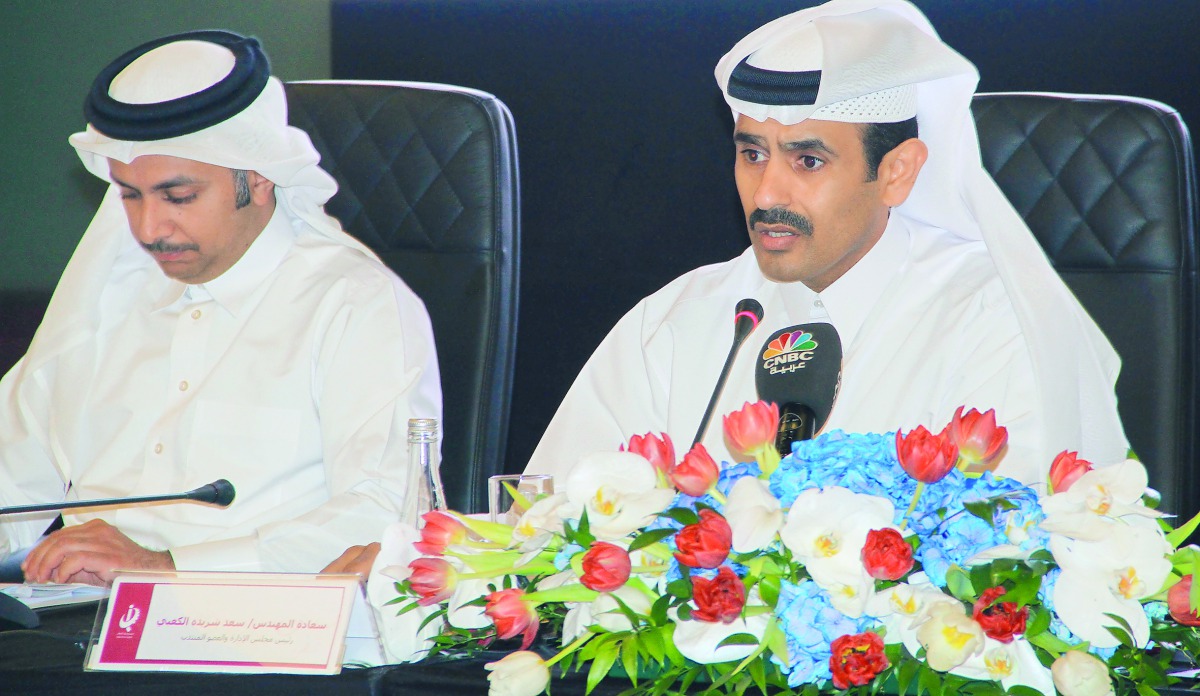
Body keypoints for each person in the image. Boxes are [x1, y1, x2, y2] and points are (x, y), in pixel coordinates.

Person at [523, 0, 1129, 487]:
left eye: (807, 160)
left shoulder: (994, 319)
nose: (766, 193)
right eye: (752, 154)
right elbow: (549, 524)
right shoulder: (677, 322)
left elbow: (1016, 553)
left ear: (897, 172)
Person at [0, 30, 441, 586]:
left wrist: (166, 569)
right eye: (129, 195)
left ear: (257, 178)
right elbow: (11, 473)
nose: (149, 228)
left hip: (259, 621)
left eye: (179, 197)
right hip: (78, 619)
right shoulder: (104, 296)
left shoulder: (354, 302)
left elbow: (388, 513)